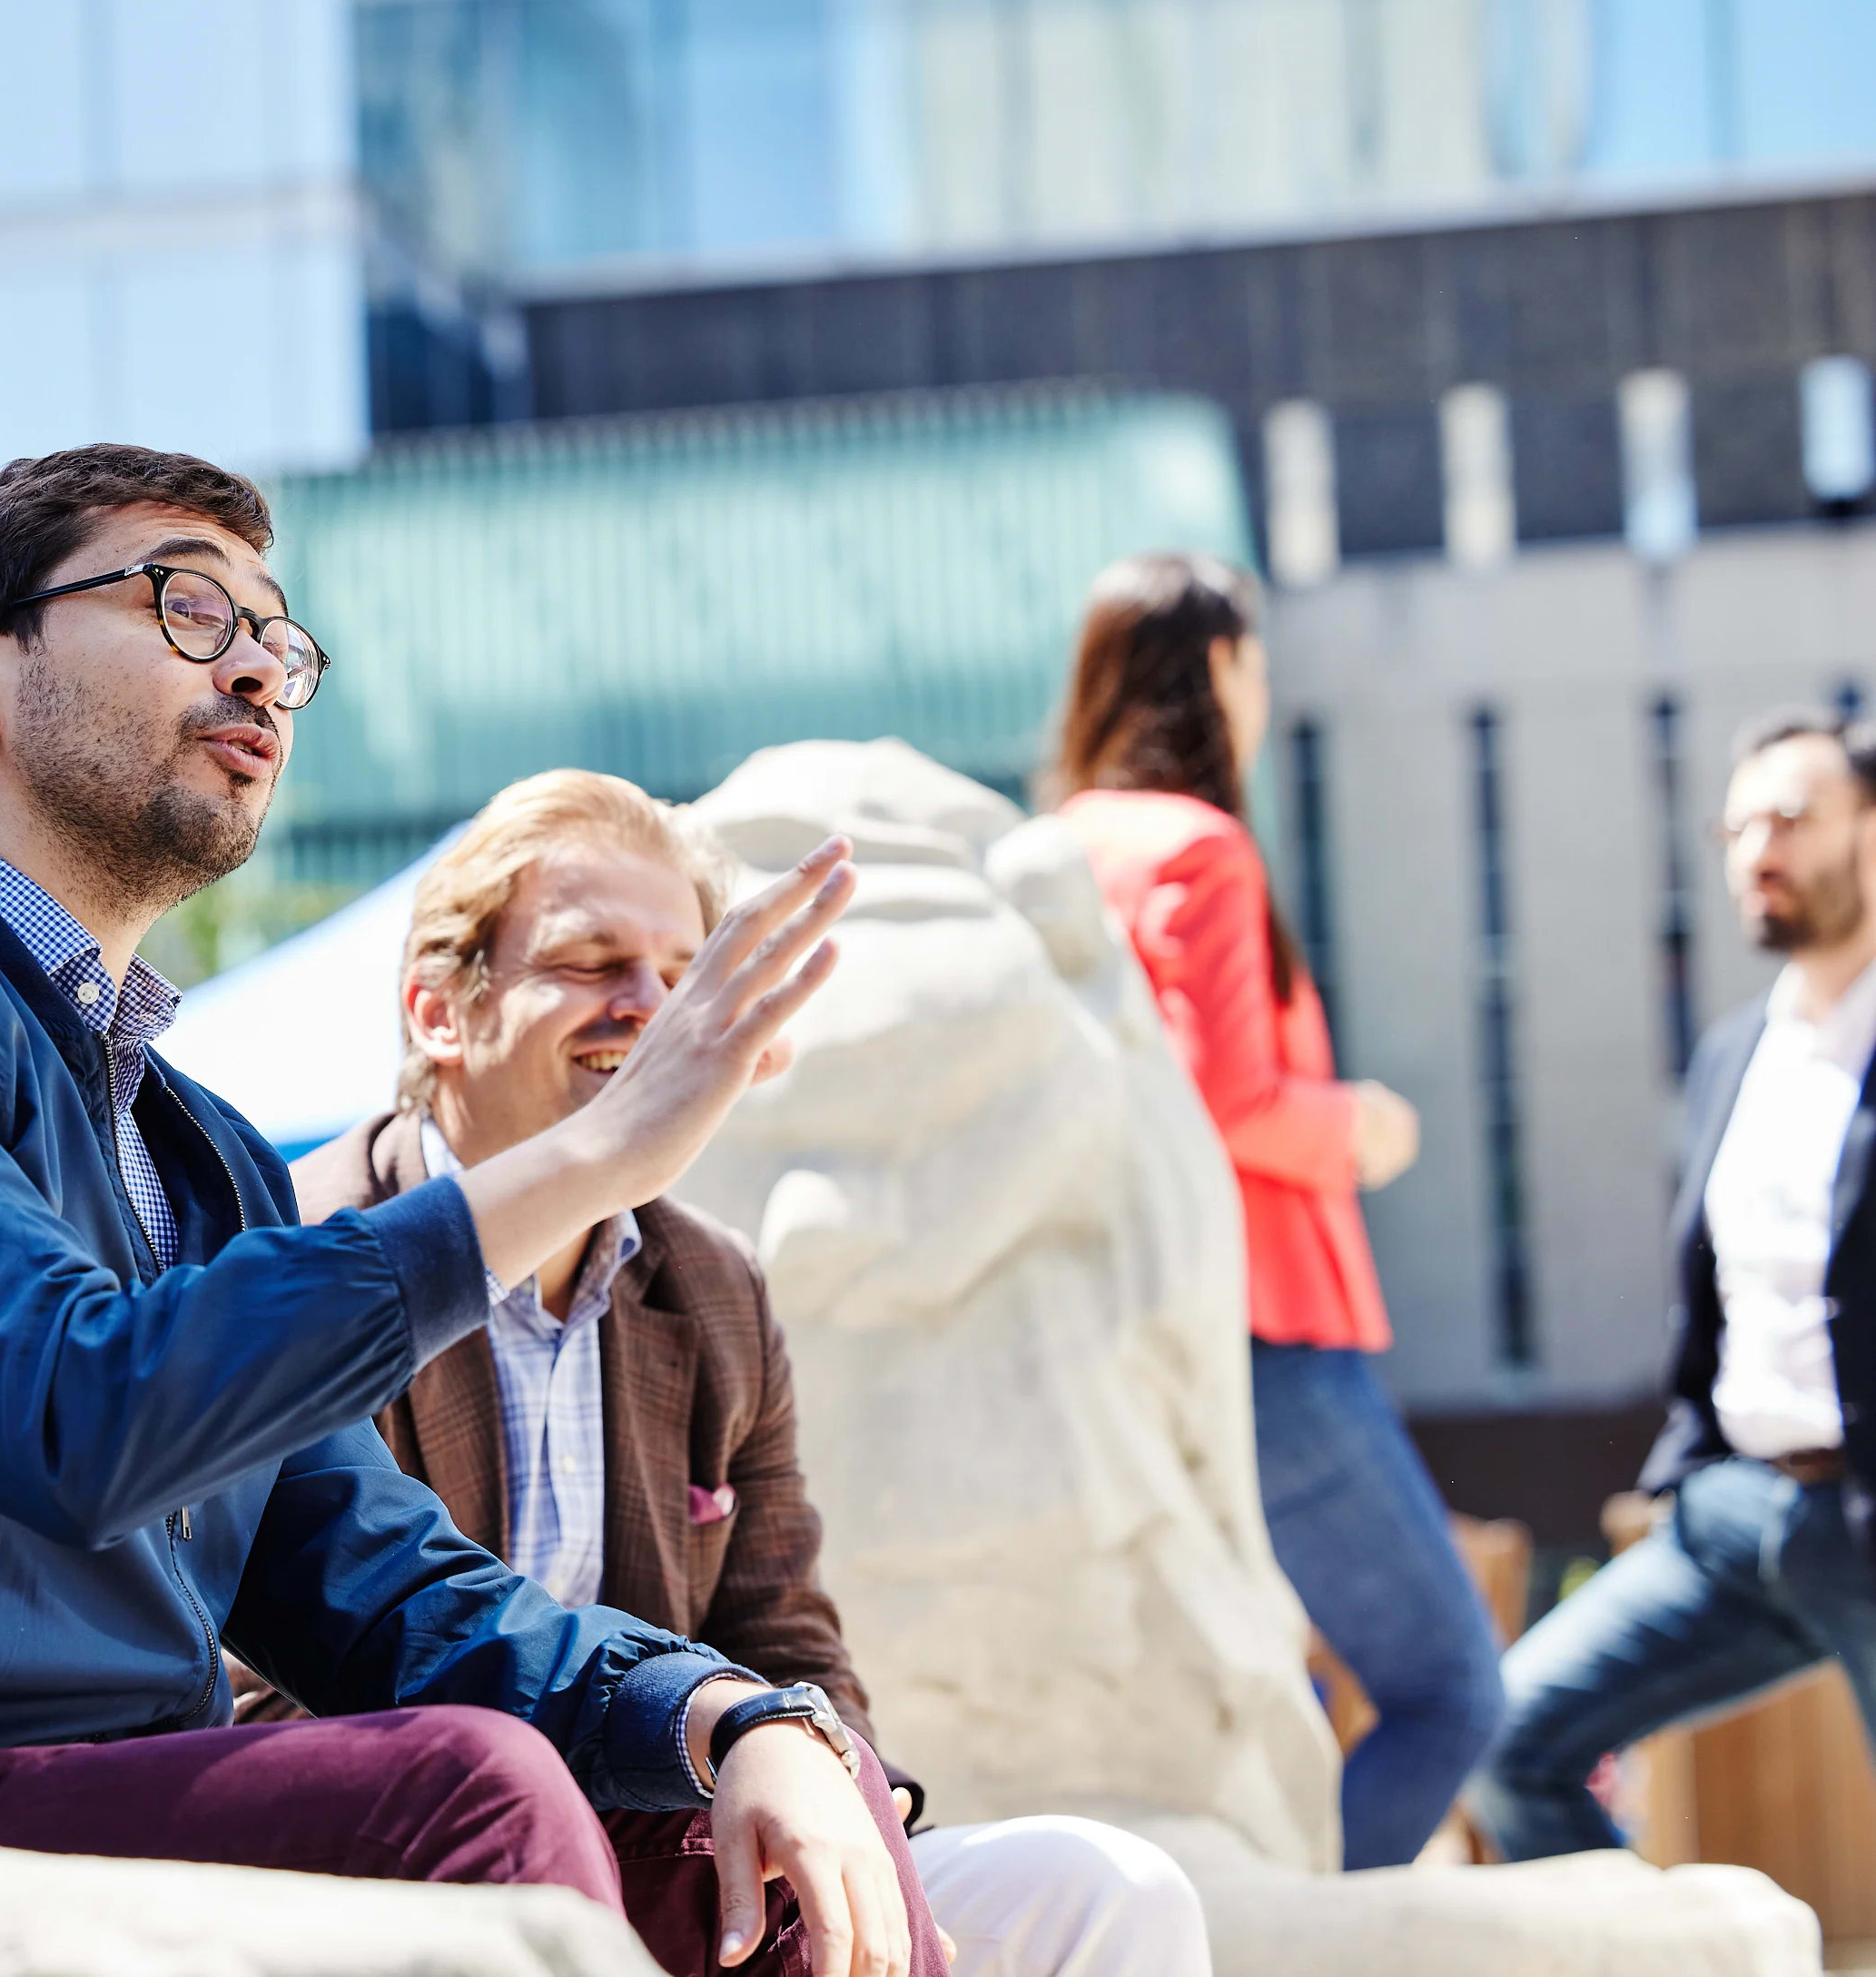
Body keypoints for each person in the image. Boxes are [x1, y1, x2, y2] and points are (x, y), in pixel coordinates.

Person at [0, 445, 942, 1977]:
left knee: (772, 1832)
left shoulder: (197, 1147)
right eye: (184, 605)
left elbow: (379, 1584)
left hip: (75, 1824)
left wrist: (725, 1713)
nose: (252, 667)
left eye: (275, 641)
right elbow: (72, 1404)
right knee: (468, 1799)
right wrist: (597, 1153)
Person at [283, 768, 1213, 1977]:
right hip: (418, 1868)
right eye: (593, 959)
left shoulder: (713, 1285)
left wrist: (832, 1807)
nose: (651, 1009)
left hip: (694, 1839)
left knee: (1105, 1892)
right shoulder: (313, 1250)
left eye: (681, 975)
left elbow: (789, 1640)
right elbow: (277, 1690)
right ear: (440, 1013)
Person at [1051, 551, 1504, 1870]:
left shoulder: (1063, 847)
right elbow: (1229, 1097)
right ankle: (1307, 1941)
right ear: (1219, 670)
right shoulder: (1196, 846)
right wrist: (1363, 1126)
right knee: (1449, 1688)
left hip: (1134, 1346)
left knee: (1266, 1698)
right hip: (1272, 1336)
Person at [1468, 707, 1876, 1859]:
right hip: (1733, 1518)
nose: (1757, 851)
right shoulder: (1731, 1053)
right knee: (1503, 1743)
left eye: (1792, 818)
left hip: (1864, 1516)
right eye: (1736, 825)